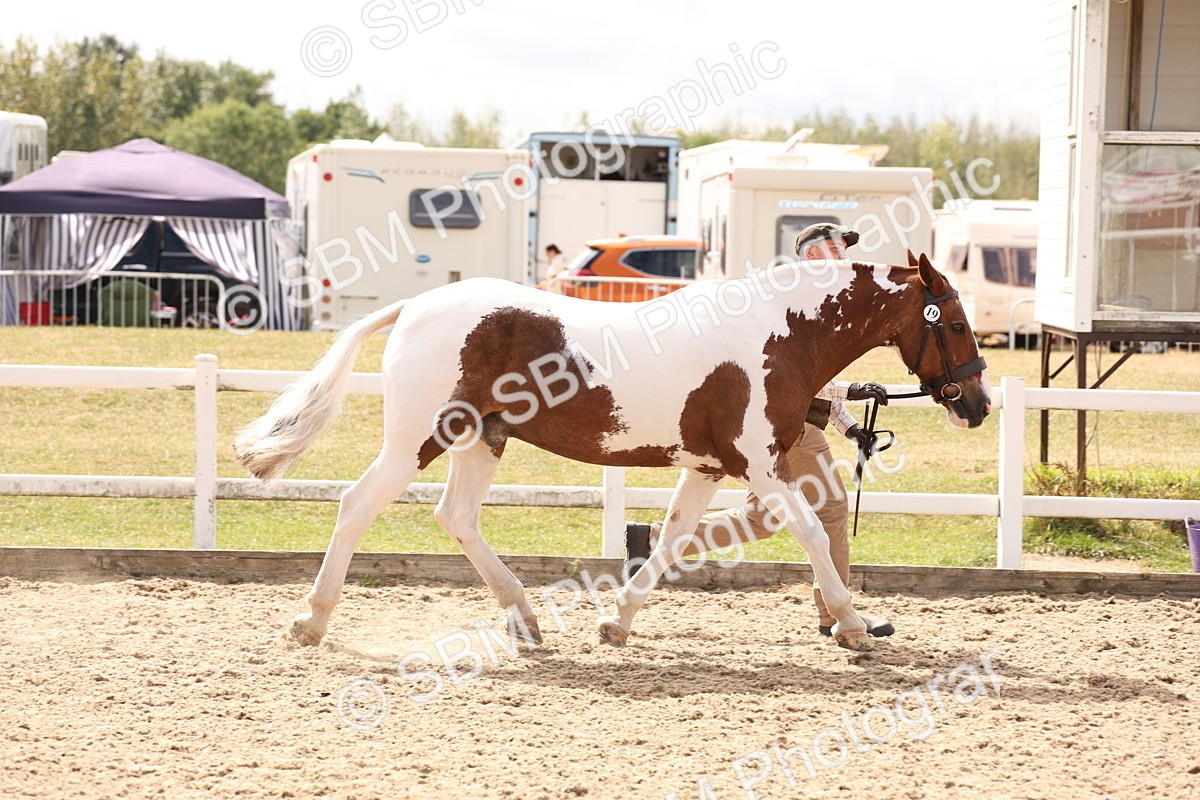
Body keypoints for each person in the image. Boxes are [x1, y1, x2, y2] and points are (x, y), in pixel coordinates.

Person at [623, 223, 895, 639]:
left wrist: (851, 427)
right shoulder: (792, 302)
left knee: (762, 518)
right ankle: (836, 615)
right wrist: (851, 391)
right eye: (836, 249)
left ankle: (654, 541)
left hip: (786, 422)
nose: (844, 257)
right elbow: (785, 376)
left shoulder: (822, 303)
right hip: (783, 424)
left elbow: (813, 377)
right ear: (811, 257)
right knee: (832, 509)